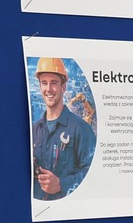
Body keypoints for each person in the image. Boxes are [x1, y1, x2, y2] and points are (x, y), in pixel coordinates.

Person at [31, 57, 96, 200]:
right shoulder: (34, 131)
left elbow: (92, 172)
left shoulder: (81, 129)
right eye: (44, 83)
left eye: (54, 83)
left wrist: (61, 184)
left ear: (63, 87)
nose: (48, 89)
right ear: (40, 87)